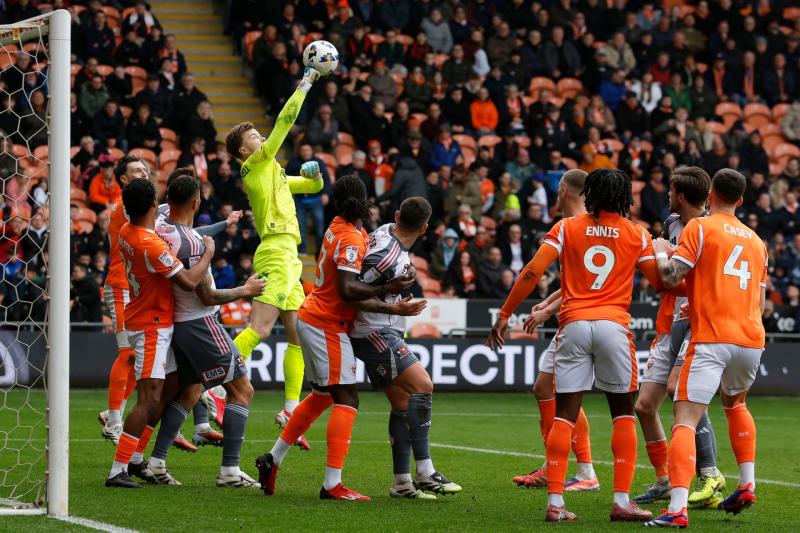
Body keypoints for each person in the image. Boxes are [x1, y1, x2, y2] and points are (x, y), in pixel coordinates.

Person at [487, 168, 670, 522]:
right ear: (625, 197)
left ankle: (555, 505)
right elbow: (661, 283)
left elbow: (531, 272)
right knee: (623, 414)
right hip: (613, 327)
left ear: (589, 194)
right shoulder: (637, 233)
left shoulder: (566, 227)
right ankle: (621, 502)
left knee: (564, 415)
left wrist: (505, 313)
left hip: (572, 324)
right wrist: (665, 255)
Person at [254, 176, 421, 500]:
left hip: (316, 318)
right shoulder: (351, 237)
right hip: (326, 323)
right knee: (348, 398)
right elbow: (346, 290)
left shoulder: (341, 226)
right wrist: (388, 291)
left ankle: (272, 459)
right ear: (363, 200)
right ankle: (332, 484)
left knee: (322, 396)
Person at [646, 169, 767, 527]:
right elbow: (761, 303)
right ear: (741, 200)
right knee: (735, 404)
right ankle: (747, 484)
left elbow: (670, 277)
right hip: (750, 338)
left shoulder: (700, 227)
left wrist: (658, 252)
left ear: (710, 193)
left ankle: (677, 508)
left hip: (712, 335)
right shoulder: (758, 242)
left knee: (685, 418)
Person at [223, 67, 323, 446]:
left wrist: (314, 173)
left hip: (289, 255)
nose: (262, 138)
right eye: (255, 137)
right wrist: (306, 83)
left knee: (298, 336)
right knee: (261, 329)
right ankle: (214, 381)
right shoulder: (255, 167)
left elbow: (313, 186)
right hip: (276, 250)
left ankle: (290, 407)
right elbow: (284, 121)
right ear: (243, 152)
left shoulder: (276, 173)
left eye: (260, 135)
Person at [146, 174, 265, 487]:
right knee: (243, 390)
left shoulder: (158, 226)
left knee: (189, 392)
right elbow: (209, 296)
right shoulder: (196, 245)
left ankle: (156, 462)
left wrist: (223, 223)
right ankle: (229, 471)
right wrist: (246, 289)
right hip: (202, 323)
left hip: (178, 325)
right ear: (197, 203)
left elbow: (188, 230)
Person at [349, 197, 461, 499]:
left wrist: (399, 285)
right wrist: (393, 301)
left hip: (383, 327)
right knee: (423, 385)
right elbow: (353, 291)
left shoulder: (387, 231)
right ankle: (425, 471)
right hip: (373, 330)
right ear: (425, 228)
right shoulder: (385, 255)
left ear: (398, 215)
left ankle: (401, 483)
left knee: (401, 404)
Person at [105, 178, 214, 488]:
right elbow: (190, 283)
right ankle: (118, 469)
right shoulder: (150, 245)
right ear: (153, 205)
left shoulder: (128, 231)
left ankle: (138, 459)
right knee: (150, 400)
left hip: (144, 317)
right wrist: (207, 253)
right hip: (152, 325)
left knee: (173, 385)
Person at [633, 167, 726, 507]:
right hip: (669, 320)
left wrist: (662, 258)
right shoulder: (673, 223)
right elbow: (663, 276)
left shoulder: (709, 230)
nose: (667, 196)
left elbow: (679, 278)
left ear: (681, 194)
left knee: (682, 393)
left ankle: (709, 475)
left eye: (671, 191)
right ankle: (666, 479)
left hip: (697, 318)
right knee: (645, 406)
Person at [509, 169, 599, 492]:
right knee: (547, 389)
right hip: (583, 319)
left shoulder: (571, 227)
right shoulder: (592, 225)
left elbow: (540, 272)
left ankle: (583, 471)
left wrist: (544, 309)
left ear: (563, 190)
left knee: (559, 394)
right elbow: (574, 282)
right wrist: (548, 304)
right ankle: (557, 465)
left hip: (579, 321)